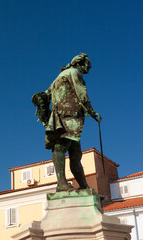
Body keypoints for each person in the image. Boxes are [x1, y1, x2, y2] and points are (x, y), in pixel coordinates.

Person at [33, 53, 101, 191]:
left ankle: (84, 186)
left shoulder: (58, 77)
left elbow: (45, 96)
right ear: (80, 64)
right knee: (62, 147)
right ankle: (62, 184)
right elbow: (82, 94)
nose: (88, 69)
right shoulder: (74, 72)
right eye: (88, 66)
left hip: (62, 117)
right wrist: (92, 112)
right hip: (69, 116)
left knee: (75, 153)